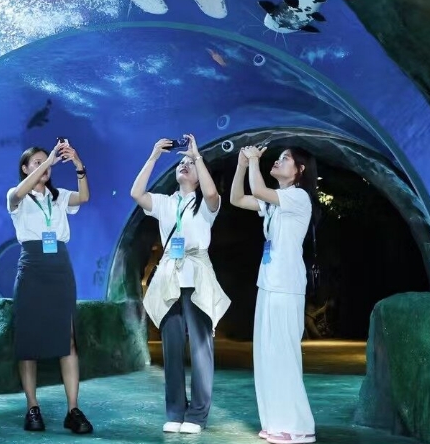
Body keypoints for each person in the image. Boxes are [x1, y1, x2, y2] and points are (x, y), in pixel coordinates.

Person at [131, 135, 231, 435]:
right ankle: (175, 411)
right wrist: (153, 156)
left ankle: (198, 415)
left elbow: (211, 192)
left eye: (190, 164)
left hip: (196, 278)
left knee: (200, 349)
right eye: (181, 163)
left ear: (199, 175)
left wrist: (197, 155)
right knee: (172, 348)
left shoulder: (206, 205)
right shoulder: (166, 203)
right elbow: (136, 193)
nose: (184, 166)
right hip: (169, 278)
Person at [230, 145, 318, 444]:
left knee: (284, 355)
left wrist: (255, 160)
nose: (278, 161)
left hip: (286, 285)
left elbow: (257, 189)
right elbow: (237, 198)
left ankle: (298, 426)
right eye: (277, 157)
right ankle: (276, 421)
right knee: (267, 355)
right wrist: (242, 165)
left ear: (300, 170)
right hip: (268, 283)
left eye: (285, 159)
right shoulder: (275, 202)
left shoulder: (298, 196)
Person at [7, 139, 93, 435]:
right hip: (32, 266)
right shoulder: (16, 196)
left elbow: (84, 197)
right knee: (27, 340)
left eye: (48, 162)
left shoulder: (59, 196)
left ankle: (73, 410)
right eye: (37, 162)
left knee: (67, 339)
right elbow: (18, 193)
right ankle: (32, 407)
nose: (46, 166)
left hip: (59, 266)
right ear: (25, 168)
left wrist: (78, 164)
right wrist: (49, 160)